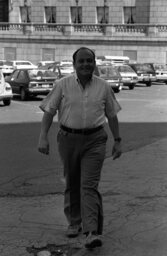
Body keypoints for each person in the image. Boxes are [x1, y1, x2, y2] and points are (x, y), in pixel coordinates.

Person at [38, 47, 122, 249]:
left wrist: (117, 140)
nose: (86, 64)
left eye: (89, 61)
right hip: (68, 138)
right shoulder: (62, 85)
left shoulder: (103, 87)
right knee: (72, 182)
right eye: (81, 61)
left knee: (89, 185)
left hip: (95, 140)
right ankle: (74, 222)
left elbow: (111, 115)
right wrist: (43, 137)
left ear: (95, 63)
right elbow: (49, 112)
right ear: (74, 64)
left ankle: (91, 231)